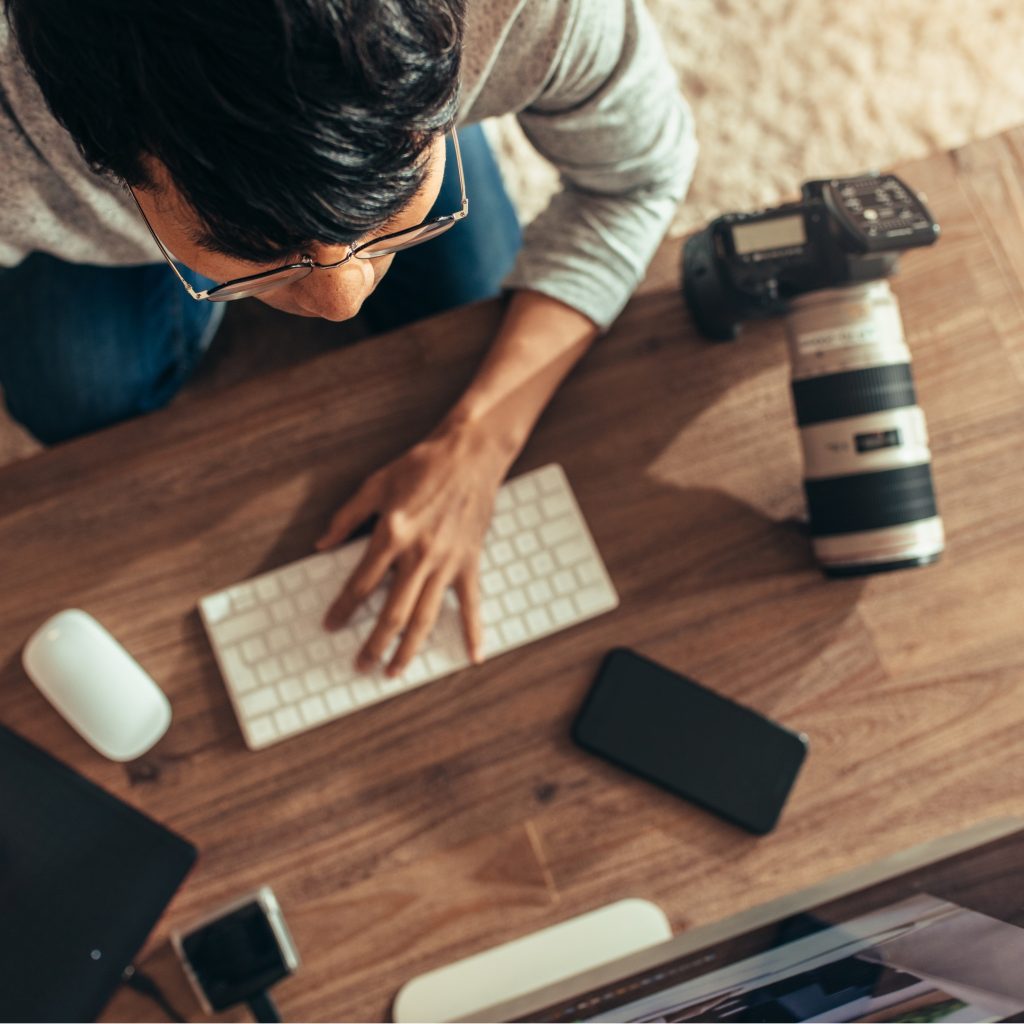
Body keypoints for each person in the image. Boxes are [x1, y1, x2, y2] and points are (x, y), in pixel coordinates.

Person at [1, 0, 696, 677]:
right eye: (250, 247)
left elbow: (638, 180)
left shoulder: (531, 11)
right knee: (78, 397)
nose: (342, 299)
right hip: (79, 218)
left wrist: (481, 440)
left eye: (387, 207)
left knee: (466, 320)